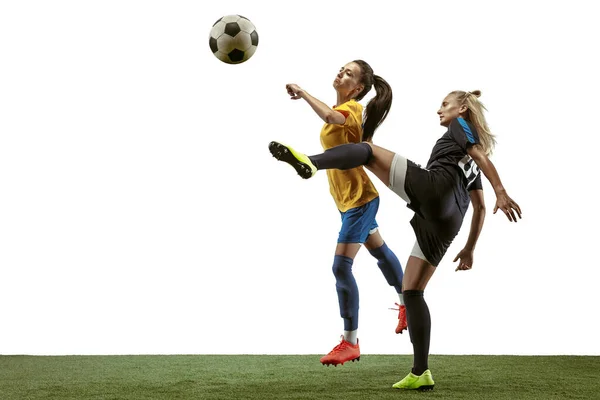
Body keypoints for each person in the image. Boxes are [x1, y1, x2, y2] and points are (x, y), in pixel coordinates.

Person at [269, 89, 522, 390]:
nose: (439, 110)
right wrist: (468, 248)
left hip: (434, 190)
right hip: (449, 222)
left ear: (463, 108)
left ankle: (311, 162)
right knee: (412, 291)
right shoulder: (468, 160)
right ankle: (420, 372)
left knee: (367, 150)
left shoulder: (461, 127)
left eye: (445, 104)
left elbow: (479, 156)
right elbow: (479, 207)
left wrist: (502, 190)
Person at [269, 60, 407, 367]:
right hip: (351, 202)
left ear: (357, 89)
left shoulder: (353, 110)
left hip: (359, 201)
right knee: (381, 253)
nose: (340, 74)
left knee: (340, 267)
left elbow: (333, 115)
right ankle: (406, 302)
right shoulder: (345, 111)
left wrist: (303, 93)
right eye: (341, 69)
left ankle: (350, 341)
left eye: (348, 73)